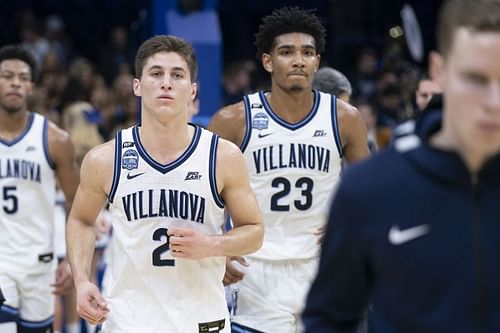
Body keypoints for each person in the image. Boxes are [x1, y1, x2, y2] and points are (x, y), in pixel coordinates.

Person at [303, 0, 500, 331]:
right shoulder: (370, 190)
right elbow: (329, 320)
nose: (494, 101)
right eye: (476, 79)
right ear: (439, 71)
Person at [66, 35, 264, 333]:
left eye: (177, 75)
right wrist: (81, 280)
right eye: (156, 73)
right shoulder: (105, 159)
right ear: (137, 85)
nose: (166, 83)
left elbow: (254, 231)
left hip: (201, 319)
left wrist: (213, 245)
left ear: (192, 90)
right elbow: (81, 220)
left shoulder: (222, 156)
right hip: (128, 321)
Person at [208, 7, 370, 332]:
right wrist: (217, 250)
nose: (298, 60)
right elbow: (202, 194)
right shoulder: (233, 121)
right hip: (256, 268)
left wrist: (348, 225)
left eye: (307, 53)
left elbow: (371, 190)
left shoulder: (345, 118)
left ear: (317, 62)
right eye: (286, 52)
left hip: (323, 265)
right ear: (268, 62)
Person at [0, 45, 79, 332]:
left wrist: (72, 262)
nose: (15, 82)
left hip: (39, 262)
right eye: (7, 76)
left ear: (31, 85)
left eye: (22, 77)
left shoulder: (55, 140)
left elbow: (78, 206)